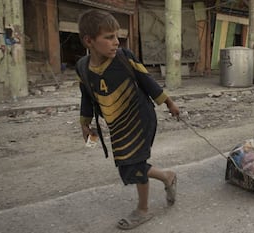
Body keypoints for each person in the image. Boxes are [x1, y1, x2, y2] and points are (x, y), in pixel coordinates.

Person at [76, 9, 179, 230]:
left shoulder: (124, 57)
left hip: (141, 118)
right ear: (89, 41)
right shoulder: (83, 68)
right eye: (109, 37)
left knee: (135, 163)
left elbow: (147, 80)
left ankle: (143, 210)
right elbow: (86, 96)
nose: (116, 42)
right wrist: (85, 123)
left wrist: (169, 103)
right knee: (127, 164)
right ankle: (167, 176)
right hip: (117, 124)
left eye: (117, 36)